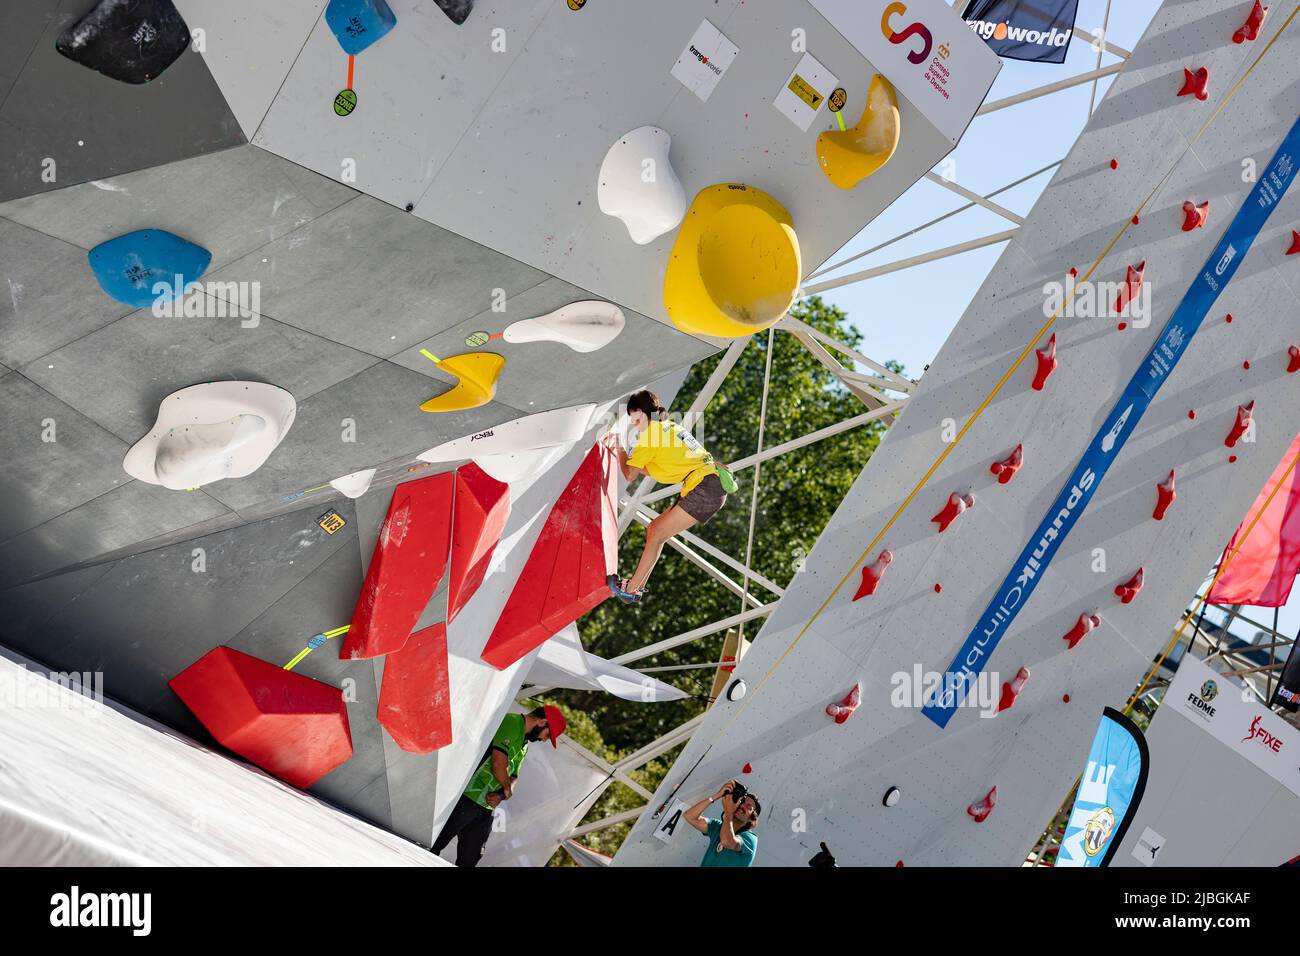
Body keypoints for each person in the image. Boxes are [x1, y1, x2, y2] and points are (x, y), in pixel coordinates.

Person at [608, 390, 731, 603]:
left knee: (655, 532)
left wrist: (619, 448)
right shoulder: (670, 427)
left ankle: (631, 590)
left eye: (634, 418)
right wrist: (629, 458)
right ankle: (635, 588)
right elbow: (657, 469)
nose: (634, 424)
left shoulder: (650, 436)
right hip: (709, 484)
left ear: (641, 412)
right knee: (657, 533)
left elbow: (629, 474)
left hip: (704, 488)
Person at [431, 705, 566, 867]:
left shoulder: (525, 744)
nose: (544, 740)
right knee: (432, 846)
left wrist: (502, 795)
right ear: (542, 722)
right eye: (547, 735)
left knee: (470, 861)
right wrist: (507, 789)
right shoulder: (511, 721)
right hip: (464, 798)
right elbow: (498, 763)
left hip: (485, 810)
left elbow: (514, 776)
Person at [684, 778, 761, 867]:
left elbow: (727, 841)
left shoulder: (750, 839)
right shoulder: (719, 827)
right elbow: (690, 816)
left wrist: (729, 812)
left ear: (751, 818)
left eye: (749, 807)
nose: (743, 806)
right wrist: (716, 796)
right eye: (742, 802)